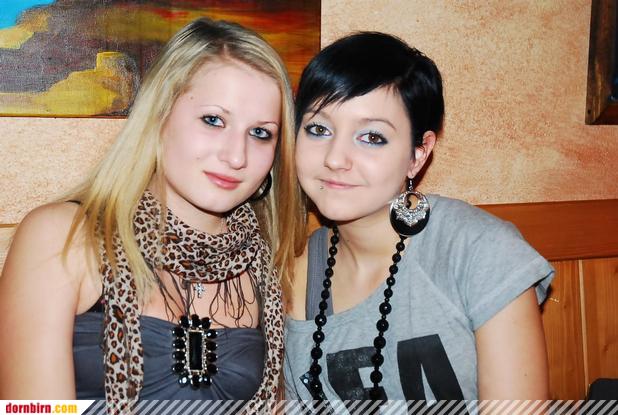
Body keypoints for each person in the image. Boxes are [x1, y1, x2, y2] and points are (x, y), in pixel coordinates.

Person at [0, 17, 303, 411]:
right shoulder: (62, 237)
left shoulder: (269, 265)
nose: (236, 156)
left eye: (260, 133)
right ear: (159, 116)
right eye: (213, 120)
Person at [284, 32, 554, 409]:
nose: (335, 158)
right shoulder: (294, 279)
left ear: (418, 154)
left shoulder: (478, 251)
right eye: (319, 129)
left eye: (372, 137)